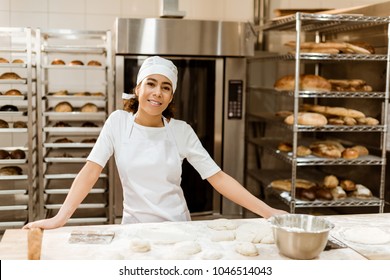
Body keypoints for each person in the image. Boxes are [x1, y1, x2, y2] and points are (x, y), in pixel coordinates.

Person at [23, 56, 286, 229]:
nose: (157, 92)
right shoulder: (118, 122)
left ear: (171, 97)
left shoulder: (181, 131)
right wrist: (60, 218)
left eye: (166, 87)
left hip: (179, 228)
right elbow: (91, 171)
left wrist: (267, 211)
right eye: (151, 83)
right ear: (138, 89)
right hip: (134, 229)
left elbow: (217, 178)